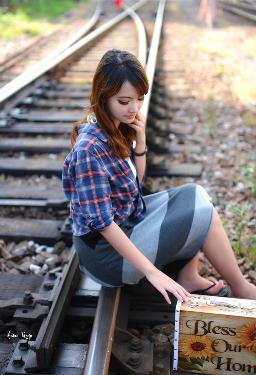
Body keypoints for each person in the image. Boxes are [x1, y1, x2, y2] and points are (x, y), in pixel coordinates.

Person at [62, 49, 256, 304]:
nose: (134, 108)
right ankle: (241, 288)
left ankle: (189, 276)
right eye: (124, 101)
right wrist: (153, 273)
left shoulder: (113, 127)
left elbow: (135, 187)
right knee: (200, 213)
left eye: (139, 99)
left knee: (194, 194)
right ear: (103, 97)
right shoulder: (89, 149)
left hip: (126, 224)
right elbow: (104, 225)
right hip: (106, 257)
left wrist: (140, 141)